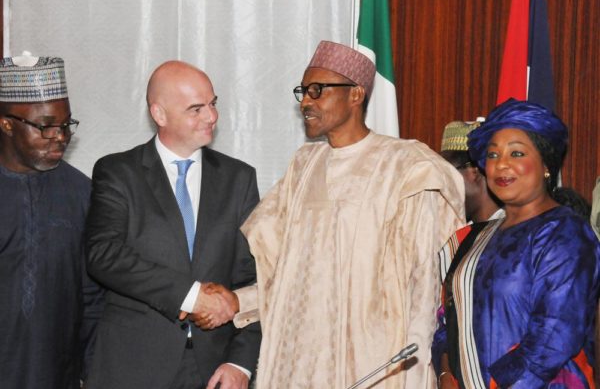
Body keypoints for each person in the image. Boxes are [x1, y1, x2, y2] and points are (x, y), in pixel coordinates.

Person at [240, 41, 465, 388]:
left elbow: (424, 284)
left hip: (376, 361)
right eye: (303, 91)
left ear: (356, 94)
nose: (305, 102)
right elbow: (277, 270)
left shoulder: (406, 167)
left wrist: (417, 368)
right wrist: (231, 301)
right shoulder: (303, 165)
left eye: (317, 91)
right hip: (302, 363)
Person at [85, 61, 261, 389]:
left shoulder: (239, 179)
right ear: (160, 114)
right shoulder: (118, 172)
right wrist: (191, 296)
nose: (211, 116)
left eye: (213, 103)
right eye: (196, 108)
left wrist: (241, 362)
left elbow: (254, 280)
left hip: (214, 371)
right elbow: (103, 254)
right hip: (133, 369)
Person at [434, 99, 600, 389]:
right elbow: (447, 320)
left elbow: (552, 338)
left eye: (517, 153)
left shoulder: (565, 233)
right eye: (493, 155)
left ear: (546, 164)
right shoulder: (475, 237)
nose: (502, 164)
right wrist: (446, 374)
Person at [0, 53, 104, 388]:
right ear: (6, 123)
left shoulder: (82, 193)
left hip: (57, 375)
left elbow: (92, 299)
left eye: (65, 125)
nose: (59, 136)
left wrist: (93, 374)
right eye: (45, 126)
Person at [439, 120, 503, 223]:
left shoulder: (513, 233)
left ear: (475, 170)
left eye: (447, 175)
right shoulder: (461, 234)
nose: (443, 187)